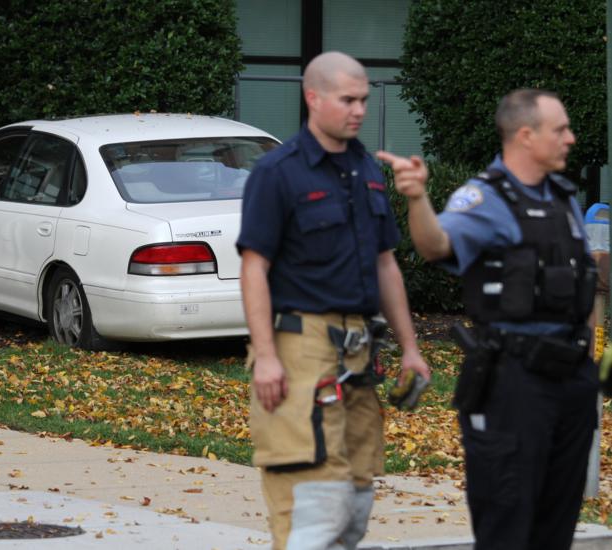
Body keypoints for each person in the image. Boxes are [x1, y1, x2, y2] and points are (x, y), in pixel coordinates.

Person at [378, 89, 599, 550]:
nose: (571, 139)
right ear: (526, 135)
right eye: (560, 130)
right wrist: (417, 198)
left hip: (572, 384)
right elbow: (436, 245)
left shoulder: (563, 198)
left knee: (556, 528)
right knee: (507, 524)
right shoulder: (485, 199)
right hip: (515, 383)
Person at [237, 51, 431, 550]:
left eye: (363, 99)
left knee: (354, 506)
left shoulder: (365, 168)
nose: (359, 110)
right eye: (348, 100)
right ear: (313, 97)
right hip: (300, 351)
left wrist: (411, 348)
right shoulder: (277, 172)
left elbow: (385, 264)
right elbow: (254, 268)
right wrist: (266, 357)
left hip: (358, 353)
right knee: (315, 513)